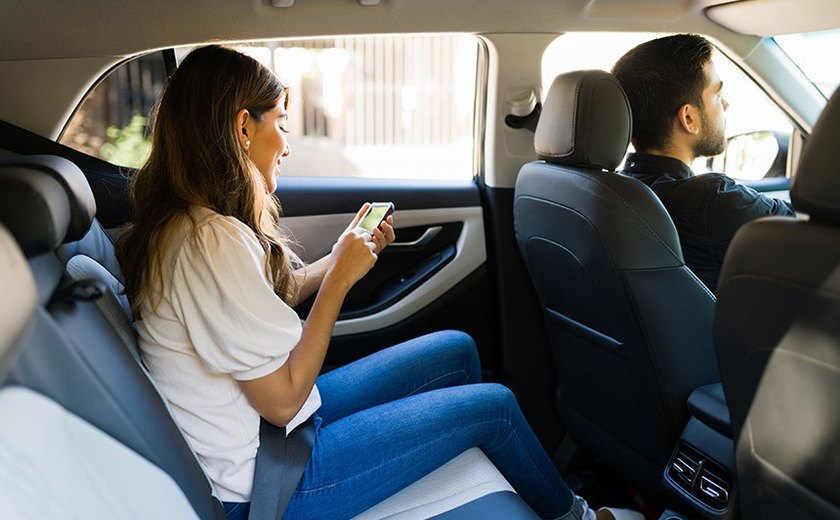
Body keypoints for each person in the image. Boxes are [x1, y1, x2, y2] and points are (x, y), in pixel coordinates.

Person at [116, 45, 642, 520]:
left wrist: (338, 257)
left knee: (456, 350)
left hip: (273, 438)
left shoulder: (190, 225)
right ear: (242, 128)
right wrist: (338, 283)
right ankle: (578, 517)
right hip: (270, 483)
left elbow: (261, 305)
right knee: (496, 409)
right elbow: (281, 399)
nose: (287, 144)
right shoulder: (209, 242)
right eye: (281, 121)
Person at [612, 34, 795, 294]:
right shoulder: (711, 201)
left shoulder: (611, 191)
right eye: (717, 96)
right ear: (689, 118)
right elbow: (810, 233)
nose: (726, 105)